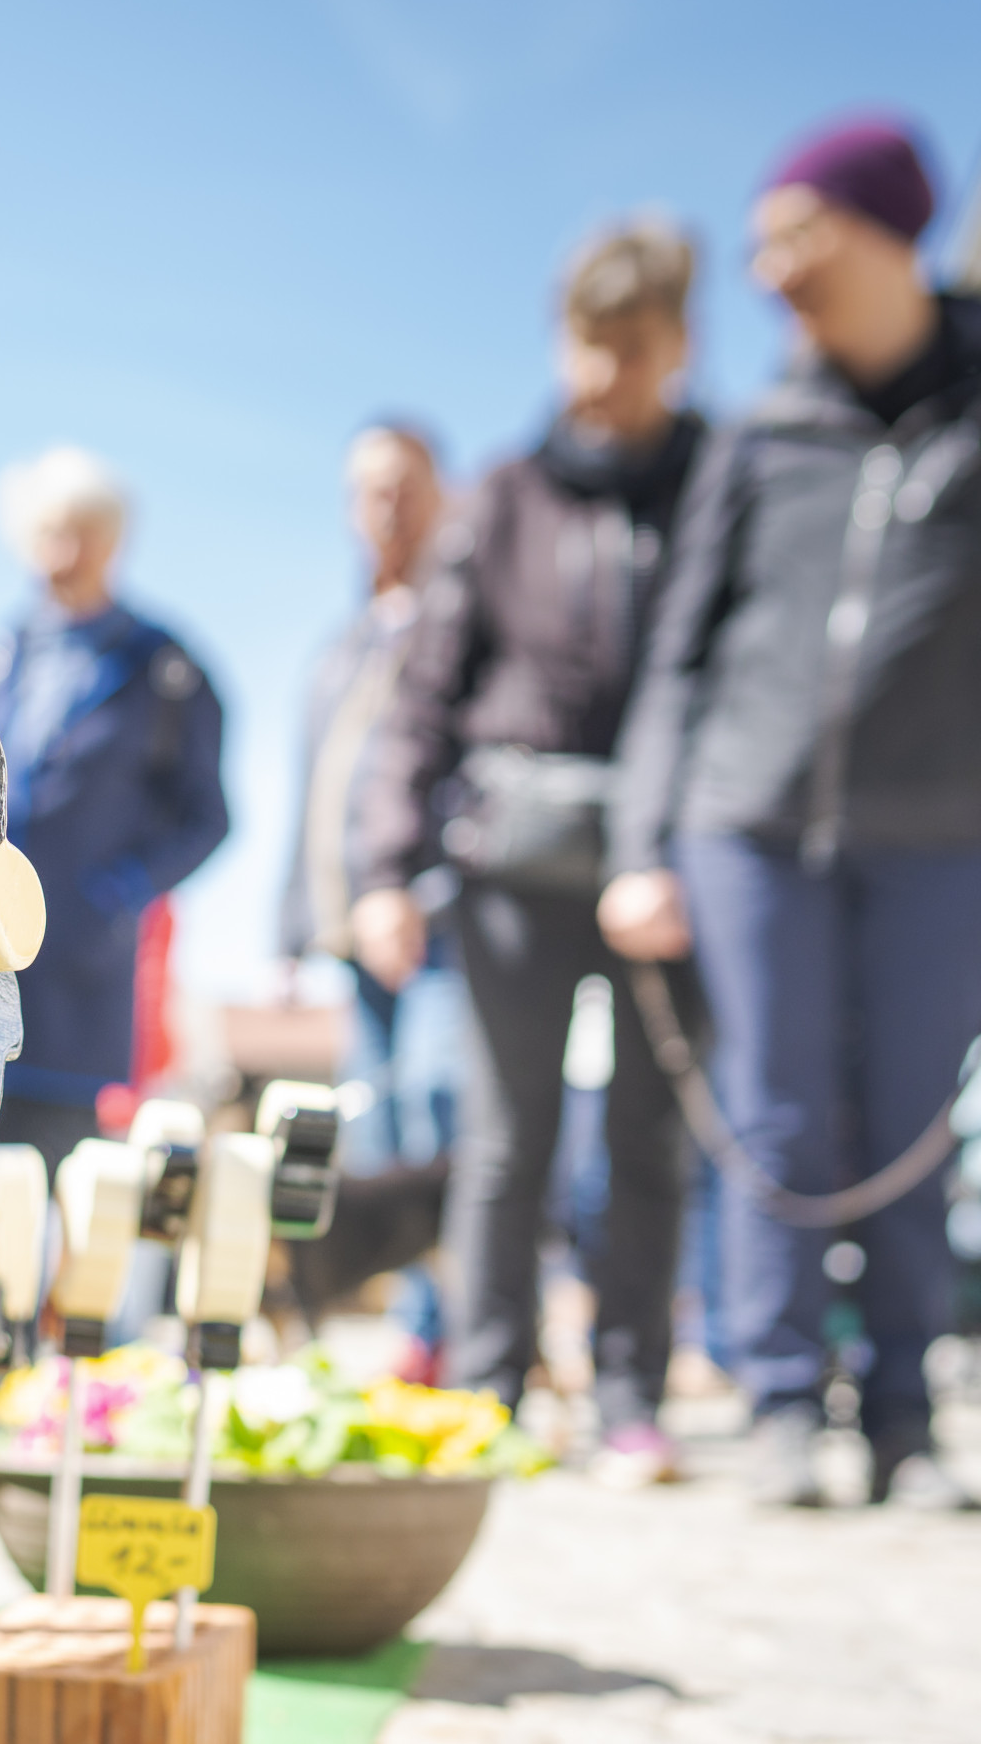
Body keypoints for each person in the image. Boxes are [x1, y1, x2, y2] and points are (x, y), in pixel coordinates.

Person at [604, 119, 981, 1511]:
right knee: (778, 1106)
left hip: (943, 831)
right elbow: (681, 657)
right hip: (748, 821)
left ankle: (901, 1415)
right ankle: (777, 1398)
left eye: (787, 233)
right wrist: (643, 844)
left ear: (880, 225)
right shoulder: (764, 430)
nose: (763, 271)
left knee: (906, 1122)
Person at [352, 219, 708, 1486]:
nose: (601, 375)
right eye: (583, 344)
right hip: (511, 865)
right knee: (507, 1137)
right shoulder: (503, 494)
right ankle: (492, 1388)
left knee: (649, 1138)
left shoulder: (712, 483)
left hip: (669, 863)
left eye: (630, 347)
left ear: (679, 343)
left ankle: (629, 1392)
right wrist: (384, 867)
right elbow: (425, 694)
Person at [0, 446, 229, 1172]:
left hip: (80, 994)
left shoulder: (162, 668)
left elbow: (208, 816)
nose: (62, 550)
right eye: (49, 530)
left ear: (114, 540)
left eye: (81, 529)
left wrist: (117, 895)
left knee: (58, 1208)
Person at [280, 422, 462, 1368]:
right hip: (349, 925)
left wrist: (420, 887)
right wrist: (292, 930)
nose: (386, 506)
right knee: (382, 1121)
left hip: (439, 914)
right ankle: (420, 1333)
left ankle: (464, 1329)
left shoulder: (463, 614)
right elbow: (311, 794)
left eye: (406, 486)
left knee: (446, 1107)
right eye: (368, 490)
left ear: (444, 495)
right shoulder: (341, 647)